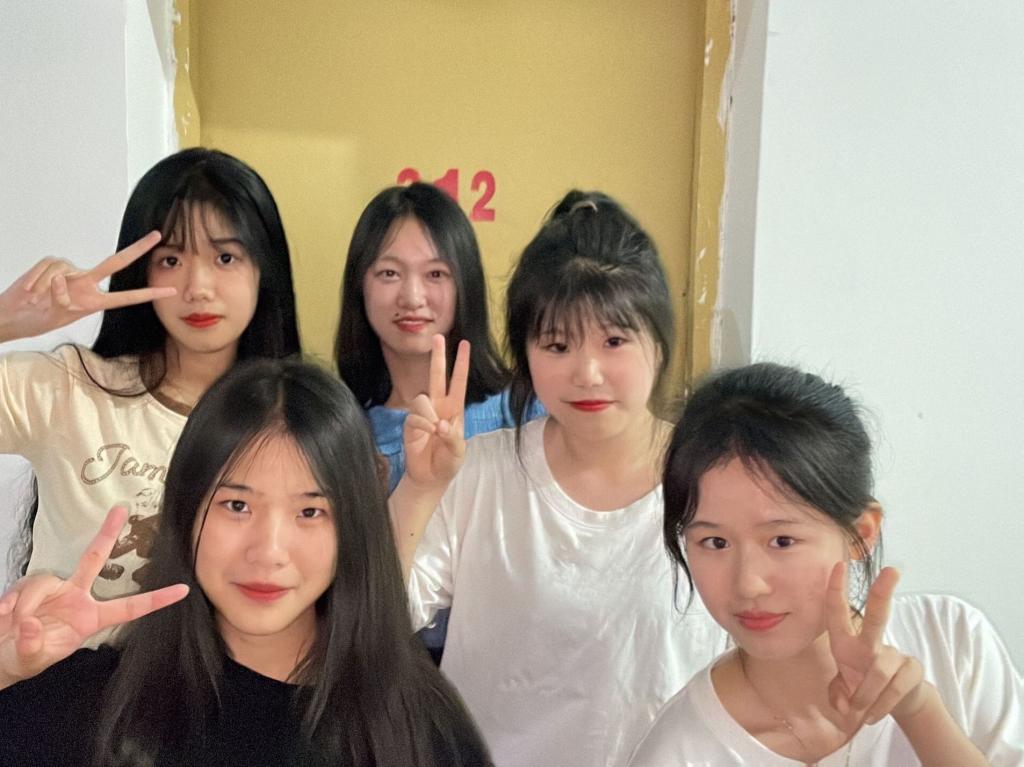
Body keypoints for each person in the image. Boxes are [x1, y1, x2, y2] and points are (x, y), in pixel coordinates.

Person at [0, 358, 491, 766]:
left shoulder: (416, 725)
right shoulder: (94, 702)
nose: (268, 551)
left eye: (310, 512)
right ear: (186, 512)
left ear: (353, 528)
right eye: (237, 506)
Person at [389, 191, 730, 767]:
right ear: (525, 355)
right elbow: (380, 616)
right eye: (557, 344)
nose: (587, 372)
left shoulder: (716, 482)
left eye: (614, 340)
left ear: (659, 342)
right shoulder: (477, 472)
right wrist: (420, 489)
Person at [629, 362, 1023, 766]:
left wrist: (919, 710)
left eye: (782, 541)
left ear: (861, 534)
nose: (748, 584)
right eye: (715, 542)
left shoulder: (952, 642)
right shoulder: (679, 751)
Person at [0, 147, 300, 598]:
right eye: (171, 260)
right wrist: (6, 322)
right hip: (71, 647)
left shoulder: (299, 419)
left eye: (225, 258)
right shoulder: (70, 390)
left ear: (265, 270)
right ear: (141, 272)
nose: (198, 289)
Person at [334, 181, 542, 662]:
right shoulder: (341, 429)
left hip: (514, 670)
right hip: (387, 669)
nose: (412, 296)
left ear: (464, 285)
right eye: (389, 273)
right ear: (360, 285)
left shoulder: (524, 411)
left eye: (435, 274)